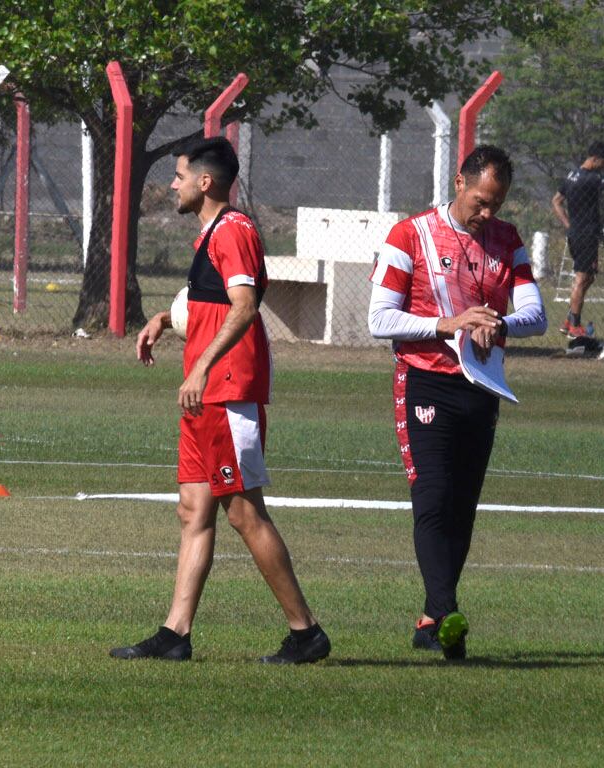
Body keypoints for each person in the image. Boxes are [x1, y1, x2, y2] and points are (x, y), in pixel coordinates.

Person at [115, 137, 329, 664]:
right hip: (203, 393)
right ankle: (175, 634)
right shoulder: (210, 234)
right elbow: (209, 305)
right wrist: (165, 321)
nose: (173, 184)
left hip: (226, 391)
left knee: (244, 513)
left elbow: (244, 306)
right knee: (193, 510)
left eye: (180, 175)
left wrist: (205, 366)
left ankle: (306, 633)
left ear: (204, 182)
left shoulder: (233, 232)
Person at [369, 145, 546, 660]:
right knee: (432, 498)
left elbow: (535, 314)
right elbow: (380, 319)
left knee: (462, 508)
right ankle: (448, 615)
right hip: (425, 382)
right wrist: (448, 323)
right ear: (458, 183)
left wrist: (498, 323)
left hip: (483, 386)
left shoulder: (507, 240)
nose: (487, 213)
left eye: (497, 203)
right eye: (481, 200)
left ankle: (431, 618)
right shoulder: (411, 235)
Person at [551, 141, 604, 338]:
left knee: (588, 276)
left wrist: (568, 224)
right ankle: (574, 325)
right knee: (582, 278)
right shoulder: (591, 178)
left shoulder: (572, 175)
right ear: (595, 159)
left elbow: (556, 201)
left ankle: (569, 318)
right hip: (586, 234)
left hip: (577, 233)